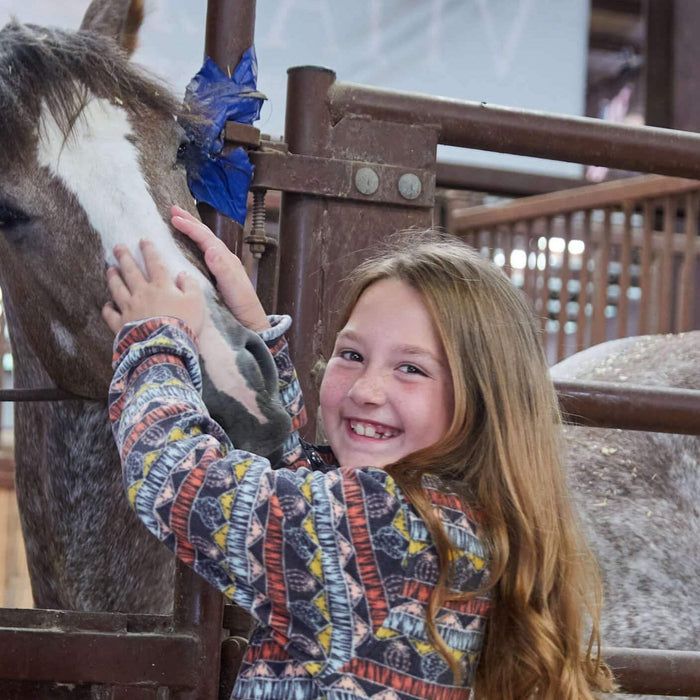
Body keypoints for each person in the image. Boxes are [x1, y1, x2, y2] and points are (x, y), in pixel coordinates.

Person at [103, 207, 614, 700]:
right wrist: (250, 339)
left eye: (411, 368)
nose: (367, 389)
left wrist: (156, 336)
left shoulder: (383, 524)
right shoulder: (456, 517)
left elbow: (177, 480)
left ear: (482, 400)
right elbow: (302, 495)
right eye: (351, 355)